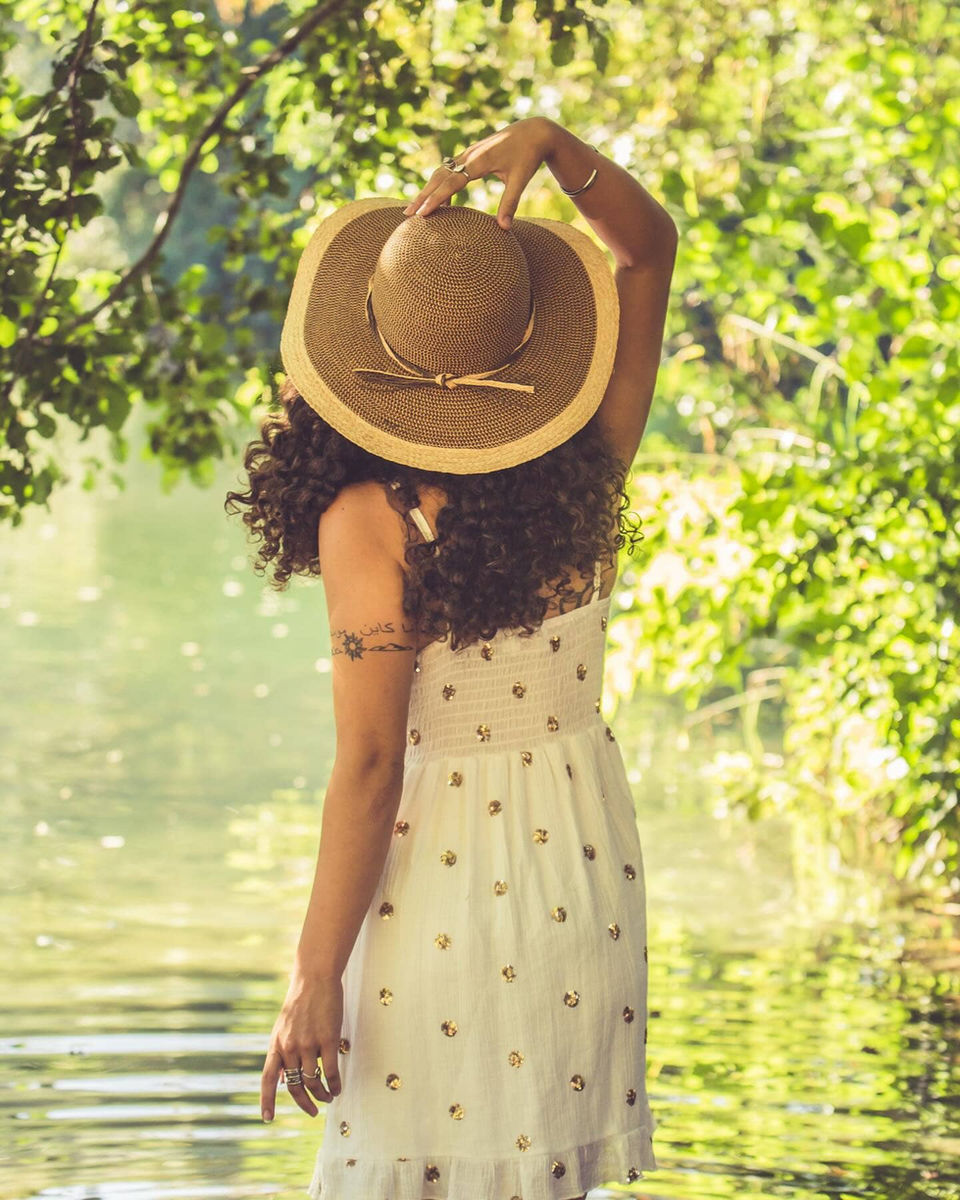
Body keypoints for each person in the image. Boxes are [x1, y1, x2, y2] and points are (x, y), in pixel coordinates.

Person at [225, 114, 678, 1200]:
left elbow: (373, 765)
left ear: (362, 357)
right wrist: (555, 146)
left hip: (441, 893)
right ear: (531, 345)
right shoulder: (589, 460)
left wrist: (313, 978)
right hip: (583, 874)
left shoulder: (372, 515)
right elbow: (648, 250)